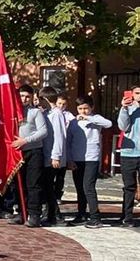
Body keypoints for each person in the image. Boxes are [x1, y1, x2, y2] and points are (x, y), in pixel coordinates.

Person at [66, 96, 112, 228]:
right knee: (79, 188)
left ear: (91, 108)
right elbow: (68, 142)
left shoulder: (96, 119)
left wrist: (89, 118)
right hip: (77, 159)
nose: (83, 111)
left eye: (86, 108)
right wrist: (70, 159)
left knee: (88, 187)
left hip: (91, 158)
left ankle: (95, 217)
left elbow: (108, 124)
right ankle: (81, 214)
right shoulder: (74, 122)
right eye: (80, 108)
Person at [9, 85, 47, 227]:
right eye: (21, 96)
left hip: (33, 151)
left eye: (27, 96)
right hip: (17, 153)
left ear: (31, 98)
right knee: (18, 185)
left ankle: (34, 214)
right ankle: (21, 212)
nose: (24, 99)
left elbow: (43, 132)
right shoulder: (12, 112)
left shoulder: (35, 112)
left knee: (33, 184)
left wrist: (25, 140)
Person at [39, 87, 67, 225]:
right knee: (46, 186)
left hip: (52, 156)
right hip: (46, 154)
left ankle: (54, 215)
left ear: (45, 99)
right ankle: (50, 213)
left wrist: (56, 155)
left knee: (49, 187)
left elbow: (59, 136)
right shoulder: (48, 113)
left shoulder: (57, 114)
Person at [117, 85, 140, 227]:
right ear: (131, 94)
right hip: (129, 153)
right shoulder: (128, 109)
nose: (139, 96)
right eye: (137, 93)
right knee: (129, 186)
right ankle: (127, 216)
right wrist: (124, 108)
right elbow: (123, 127)